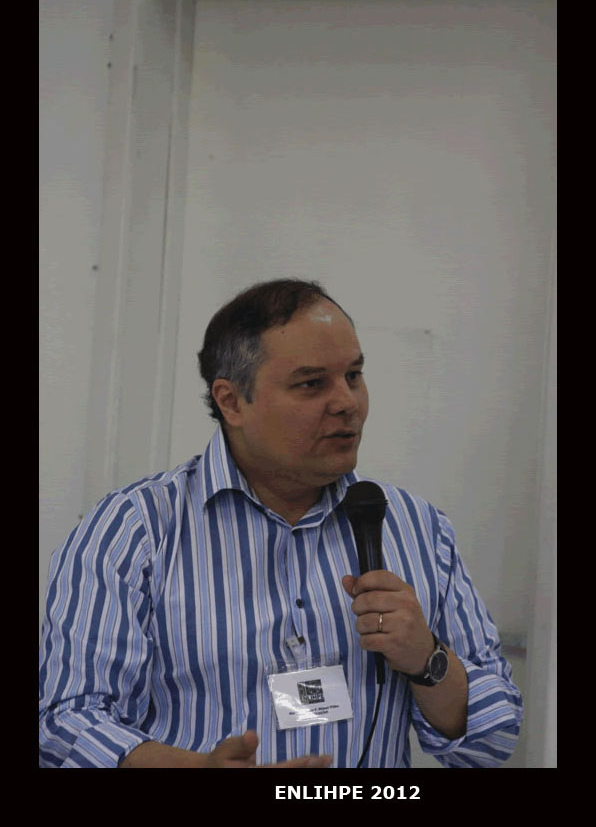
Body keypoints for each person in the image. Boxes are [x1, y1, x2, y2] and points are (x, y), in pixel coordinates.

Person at [39, 278, 522, 768]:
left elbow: (493, 741)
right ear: (231, 401)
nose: (347, 402)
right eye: (312, 384)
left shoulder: (416, 528)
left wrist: (429, 660)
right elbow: (64, 723)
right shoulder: (136, 529)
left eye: (354, 375)